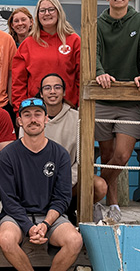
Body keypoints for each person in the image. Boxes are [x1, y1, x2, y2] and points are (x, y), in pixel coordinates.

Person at [0, 97, 83, 271]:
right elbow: (8, 199)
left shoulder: (59, 153)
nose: (32, 119)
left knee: (75, 241)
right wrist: (29, 227)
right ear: (19, 121)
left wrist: (45, 225)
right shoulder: (8, 154)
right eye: (27, 115)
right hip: (17, 215)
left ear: (46, 119)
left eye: (37, 114)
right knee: (6, 239)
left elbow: (62, 197)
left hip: (49, 215)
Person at [95, 0, 140, 223]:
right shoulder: (98, 23)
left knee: (121, 156)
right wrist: (99, 73)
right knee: (107, 152)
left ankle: (96, 190)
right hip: (103, 98)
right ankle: (111, 204)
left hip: (130, 100)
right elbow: (94, 53)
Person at [31, 73, 108, 223]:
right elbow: (25, 156)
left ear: (64, 92)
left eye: (57, 87)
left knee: (99, 186)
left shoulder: (78, 118)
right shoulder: (31, 118)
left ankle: (73, 209)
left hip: (68, 180)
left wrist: (63, 181)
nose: (52, 91)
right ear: (41, 93)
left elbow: (83, 158)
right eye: (47, 88)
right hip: (38, 181)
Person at [12, 0, 81, 111]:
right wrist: (20, 110)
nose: (47, 13)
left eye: (51, 9)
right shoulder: (28, 44)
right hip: (35, 109)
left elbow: (81, 77)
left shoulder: (73, 40)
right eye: (42, 10)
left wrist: (79, 104)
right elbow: (18, 82)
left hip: (68, 109)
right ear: (37, 15)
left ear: (58, 12)